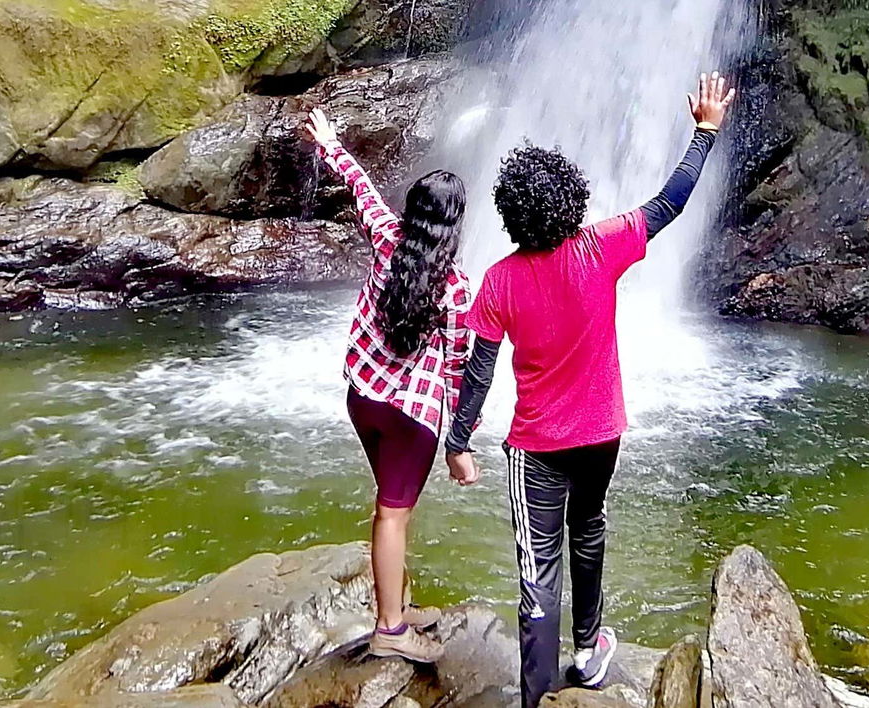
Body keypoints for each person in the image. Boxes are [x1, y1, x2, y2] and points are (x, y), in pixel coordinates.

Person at [443, 73, 738, 706]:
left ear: (512, 212)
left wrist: (457, 440)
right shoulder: (600, 247)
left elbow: (479, 369)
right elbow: (670, 203)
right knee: (590, 528)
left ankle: (537, 694)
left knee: (536, 568)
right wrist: (704, 131)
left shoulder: (498, 282)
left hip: (538, 448)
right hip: (604, 433)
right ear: (572, 200)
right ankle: (589, 649)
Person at [306, 108, 473, 663]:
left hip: (362, 395)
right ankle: (391, 630)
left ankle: (395, 595)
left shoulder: (385, 237)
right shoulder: (455, 287)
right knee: (394, 512)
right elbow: (457, 368)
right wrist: (460, 445)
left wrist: (329, 141)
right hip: (410, 416)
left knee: (391, 505)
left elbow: (359, 187)